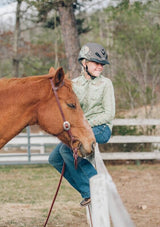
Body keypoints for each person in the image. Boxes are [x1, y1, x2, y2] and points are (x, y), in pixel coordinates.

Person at [48, 42, 115, 207]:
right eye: (96, 63)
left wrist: (85, 125)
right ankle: (86, 190)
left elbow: (109, 114)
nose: (100, 67)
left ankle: (95, 188)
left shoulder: (106, 84)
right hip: (83, 129)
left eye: (102, 64)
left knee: (66, 149)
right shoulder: (74, 84)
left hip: (101, 128)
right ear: (84, 63)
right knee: (55, 158)